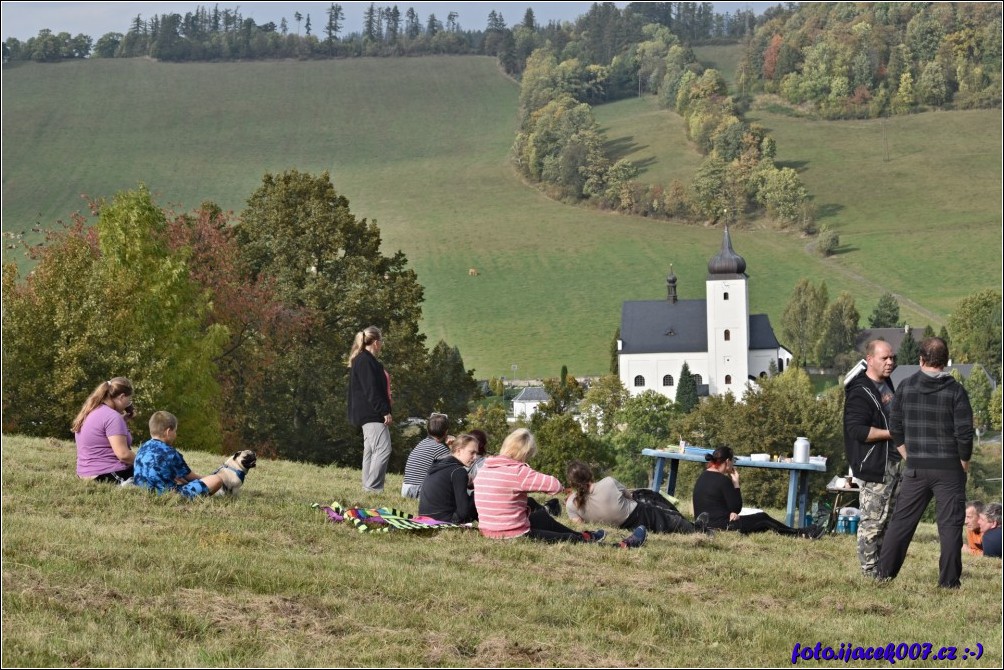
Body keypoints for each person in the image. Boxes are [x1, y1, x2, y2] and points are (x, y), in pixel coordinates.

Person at [877, 337, 974, 589]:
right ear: (946, 362)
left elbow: (895, 427)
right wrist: (964, 463)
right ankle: (949, 583)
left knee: (901, 523)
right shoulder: (956, 391)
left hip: (917, 468)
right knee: (950, 528)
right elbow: (964, 434)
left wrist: (908, 455)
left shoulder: (906, 387)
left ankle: (884, 575)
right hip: (950, 468)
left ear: (920, 359)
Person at [474, 428, 646, 548]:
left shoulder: (484, 468)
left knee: (540, 516)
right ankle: (616, 545)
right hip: (511, 533)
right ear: (524, 453)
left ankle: (585, 535)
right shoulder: (519, 471)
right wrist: (527, 469)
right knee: (566, 539)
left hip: (488, 529)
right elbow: (554, 486)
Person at [843, 339, 901, 577]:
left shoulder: (886, 383)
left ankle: (882, 571)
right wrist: (893, 433)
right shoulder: (859, 392)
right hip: (873, 465)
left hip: (893, 462)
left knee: (888, 521)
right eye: (884, 358)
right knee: (872, 523)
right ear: (870, 360)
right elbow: (858, 431)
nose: (890, 362)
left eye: (892, 358)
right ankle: (869, 574)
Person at [692, 446, 826, 538]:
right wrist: (736, 483)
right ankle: (799, 534)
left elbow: (715, 503)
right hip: (720, 525)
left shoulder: (703, 476)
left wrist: (730, 512)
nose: (733, 464)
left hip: (705, 523)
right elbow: (736, 507)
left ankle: (799, 532)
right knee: (763, 517)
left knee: (760, 523)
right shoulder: (723, 480)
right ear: (727, 461)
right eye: (732, 461)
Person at [565, 460, 708, 535]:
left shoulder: (571, 504)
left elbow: (580, 525)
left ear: (572, 483)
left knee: (666, 520)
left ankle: (696, 527)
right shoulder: (608, 482)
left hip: (622, 526)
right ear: (589, 472)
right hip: (638, 515)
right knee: (669, 518)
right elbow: (630, 497)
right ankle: (699, 529)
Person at [133, 411, 242, 497]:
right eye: (175, 431)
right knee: (216, 480)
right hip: (167, 495)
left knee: (179, 478)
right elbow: (192, 478)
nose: (175, 435)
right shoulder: (170, 453)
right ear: (168, 431)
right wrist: (212, 477)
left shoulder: (142, 448)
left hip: (143, 492)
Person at [347, 326, 393, 492]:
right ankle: (372, 488)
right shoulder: (366, 361)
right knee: (383, 449)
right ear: (376, 343)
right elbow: (371, 389)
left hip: (367, 413)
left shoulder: (362, 360)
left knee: (371, 451)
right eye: (381, 342)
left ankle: (368, 486)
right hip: (372, 413)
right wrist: (384, 411)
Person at [72, 377, 136, 483]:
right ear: (122, 396)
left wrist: (122, 422)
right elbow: (123, 455)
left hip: (85, 474)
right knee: (157, 474)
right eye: (128, 400)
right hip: (107, 474)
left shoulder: (90, 412)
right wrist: (146, 461)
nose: (128, 404)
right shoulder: (112, 417)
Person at [418, 433, 480, 523]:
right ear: (459, 451)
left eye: (476, 453)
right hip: (446, 520)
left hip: (426, 518)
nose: (475, 457)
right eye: (472, 452)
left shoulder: (438, 465)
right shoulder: (458, 471)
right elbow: (463, 512)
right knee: (479, 492)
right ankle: (490, 523)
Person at [401, 413, 451, 499]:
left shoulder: (422, 443)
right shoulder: (440, 448)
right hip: (419, 491)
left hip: (406, 489)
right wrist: (452, 447)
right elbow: (454, 468)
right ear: (446, 431)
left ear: (428, 430)